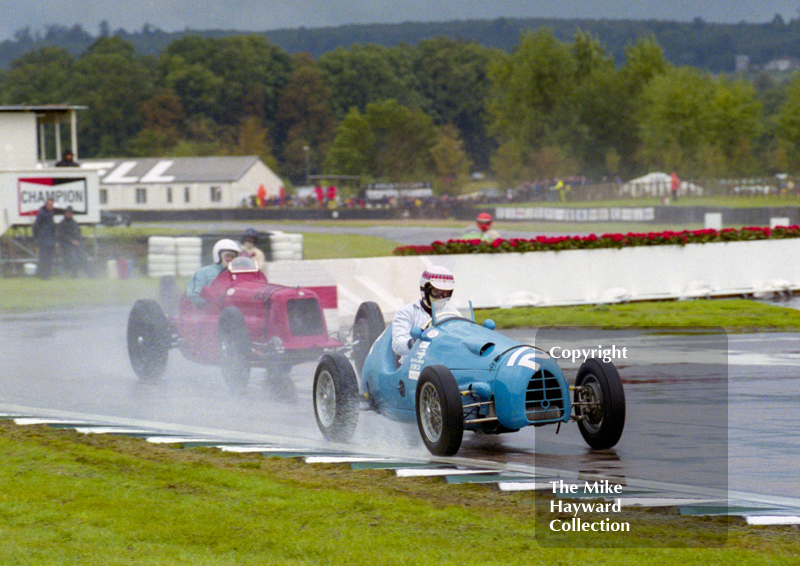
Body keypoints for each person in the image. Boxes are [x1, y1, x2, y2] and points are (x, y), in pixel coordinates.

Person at [391, 265, 455, 358]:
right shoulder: (406, 312)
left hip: (443, 361)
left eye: (444, 292)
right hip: (412, 364)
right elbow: (397, 344)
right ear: (425, 291)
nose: (441, 296)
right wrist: (413, 342)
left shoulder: (452, 313)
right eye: (436, 291)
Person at [186, 239, 241, 307]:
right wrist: (208, 306)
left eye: (233, 257)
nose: (230, 259)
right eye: (227, 256)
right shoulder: (204, 272)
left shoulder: (239, 274)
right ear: (218, 256)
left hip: (232, 310)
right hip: (208, 312)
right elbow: (193, 295)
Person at [57, 206, 91, 277]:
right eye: (67, 213)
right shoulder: (62, 224)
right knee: (73, 257)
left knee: (84, 256)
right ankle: (74, 275)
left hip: (76, 245)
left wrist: (78, 242)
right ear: (65, 214)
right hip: (66, 245)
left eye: (70, 213)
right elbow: (62, 236)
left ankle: (90, 274)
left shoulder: (74, 223)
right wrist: (71, 241)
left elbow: (78, 234)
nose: (69, 215)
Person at [32, 198, 57, 279]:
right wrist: (37, 237)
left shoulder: (50, 213)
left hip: (50, 239)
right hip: (43, 239)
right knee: (44, 257)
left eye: (52, 205)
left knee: (48, 257)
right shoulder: (42, 214)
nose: (51, 206)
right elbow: (36, 226)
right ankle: (44, 275)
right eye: (49, 205)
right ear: (46, 205)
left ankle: (44, 274)